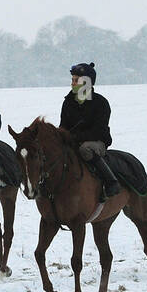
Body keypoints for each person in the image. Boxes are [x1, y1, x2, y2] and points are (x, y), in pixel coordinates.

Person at [59, 62, 119, 199]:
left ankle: (111, 182)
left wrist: (74, 138)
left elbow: (98, 131)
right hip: (73, 142)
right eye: (72, 80)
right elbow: (63, 125)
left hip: (96, 143)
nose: (72, 84)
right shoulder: (68, 102)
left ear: (87, 82)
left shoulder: (101, 103)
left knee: (85, 149)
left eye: (76, 80)